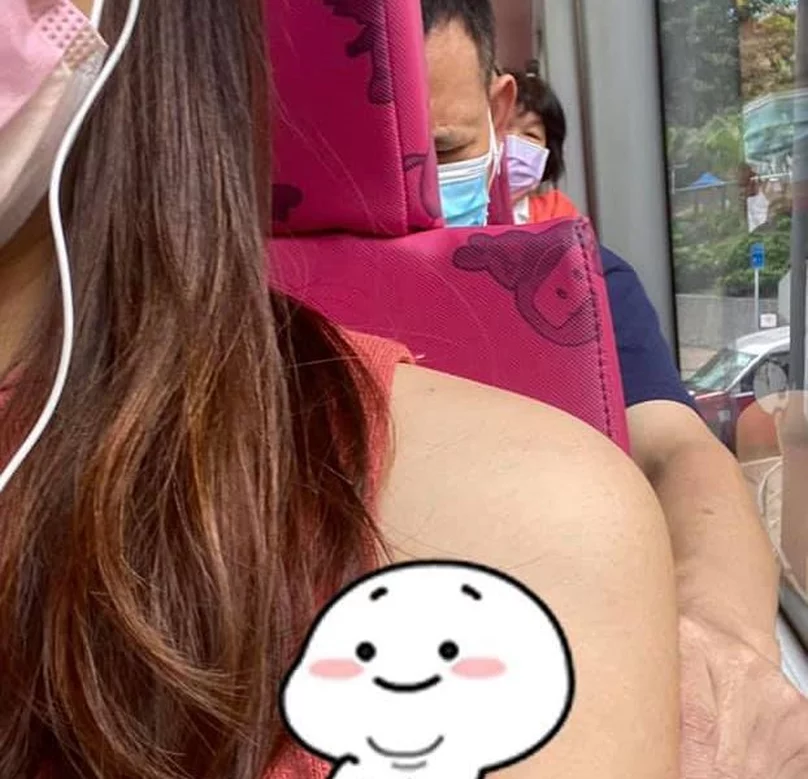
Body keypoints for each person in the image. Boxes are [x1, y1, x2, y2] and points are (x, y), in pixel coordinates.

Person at [0, 1, 682, 778]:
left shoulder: (524, 493)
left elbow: (673, 445)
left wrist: (722, 612)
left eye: (449, 146)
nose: (430, 165)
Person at [421, 0, 808, 775]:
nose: (404, 193)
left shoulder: (570, 287)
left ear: (499, 110)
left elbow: (679, 453)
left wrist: (714, 639)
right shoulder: (206, 311)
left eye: (444, 150)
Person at [505, 69, 580, 224]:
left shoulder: (557, 212)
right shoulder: (458, 212)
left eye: (531, 134)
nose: (513, 142)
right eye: (502, 127)